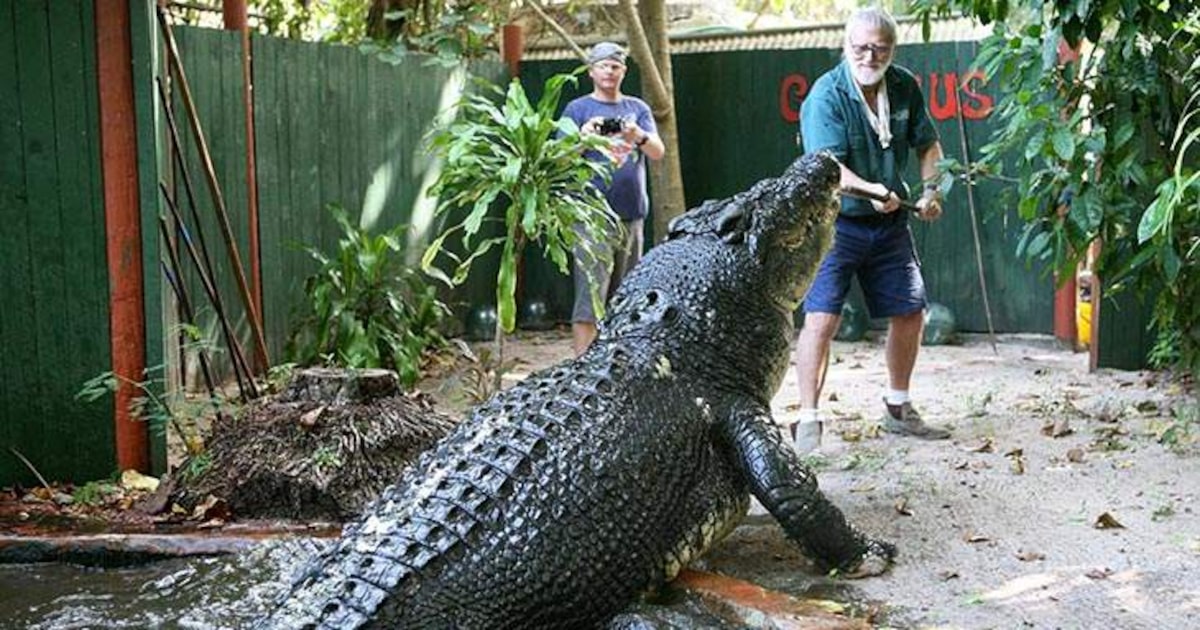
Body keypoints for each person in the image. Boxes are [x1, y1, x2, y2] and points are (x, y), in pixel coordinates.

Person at [791, 6, 952, 453]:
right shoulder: (826, 95)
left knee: (910, 311)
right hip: (834, 223)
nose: (869, 56)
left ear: (892, 50)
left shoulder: (903, 85)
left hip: (891, 222)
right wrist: (874, 191)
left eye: (879, 48)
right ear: (847, 46)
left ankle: (898, 408)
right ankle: (808, 419)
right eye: (860, 47)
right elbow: (828, 170)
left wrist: (932, 190)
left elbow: (929, 145)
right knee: (821, 319)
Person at [562, 42, 666, 356]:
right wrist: (584, 137)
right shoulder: (577, 110)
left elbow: (658, 152)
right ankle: (582, 370)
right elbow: (561, 160)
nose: (609, 71)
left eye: (615, 65)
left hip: (631, 217)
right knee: (590, 298)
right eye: (603, 65)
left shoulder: (638, 109)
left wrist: (638, 135)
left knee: (628, 298)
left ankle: (618, 366)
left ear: (623, 71)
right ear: (591, 71)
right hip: (590, 218)